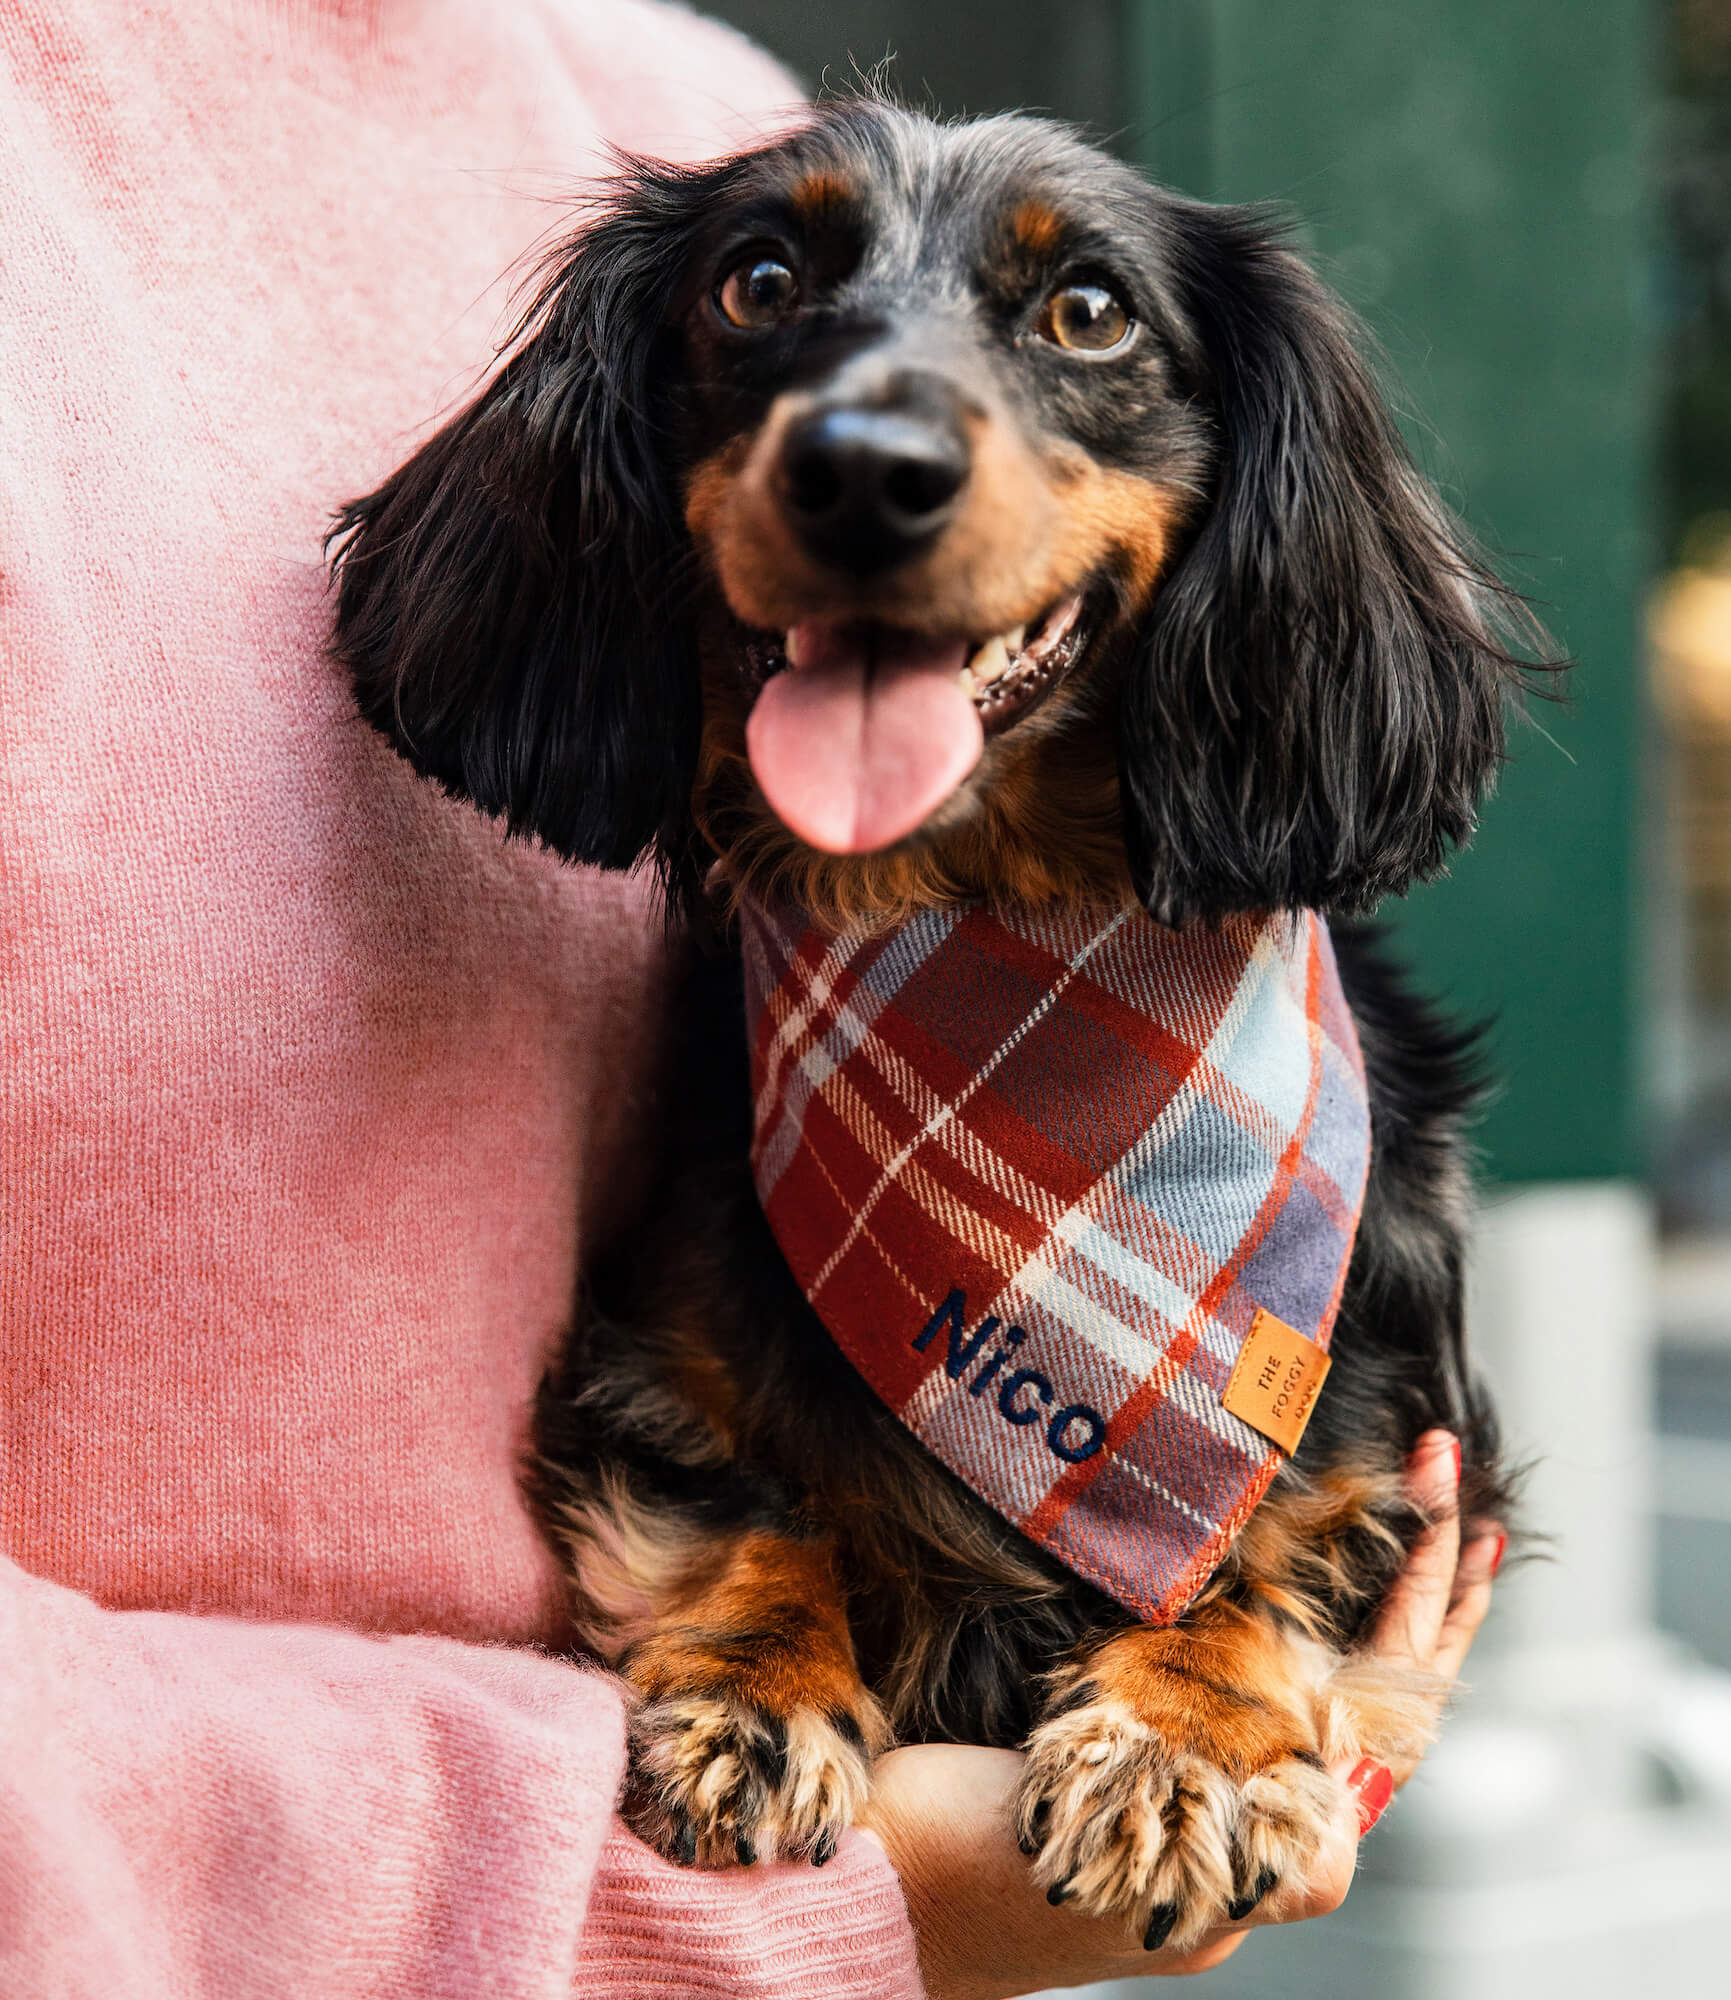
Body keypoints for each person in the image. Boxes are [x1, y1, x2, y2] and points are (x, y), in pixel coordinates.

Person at [0, 3, 1497, 1994]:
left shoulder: (676, 88)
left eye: (1079, 327)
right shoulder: (740, 1150)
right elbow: (649, 1397)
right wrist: (786, 1713)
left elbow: (1391, 1480)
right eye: (772, 294)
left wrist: (1245, 1673)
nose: (878, 420)